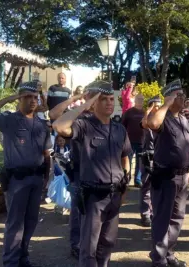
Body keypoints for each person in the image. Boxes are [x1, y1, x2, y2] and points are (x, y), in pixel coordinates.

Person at [53, 80, 132, 267]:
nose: (109, 103)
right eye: (103, 99)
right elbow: (59, 126)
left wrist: (124, 188)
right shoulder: (83, 126)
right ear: (94, 103)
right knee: (89, 248)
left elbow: (125, 158)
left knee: (107, 244)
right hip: (93, 198)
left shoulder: (119, 129)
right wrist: (85, 104)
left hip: (114, 195)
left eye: (111, 99)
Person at [0, 80, 52, 267]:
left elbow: (46, 154)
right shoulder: (10, 120)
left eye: (35, 97)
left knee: (30, 222)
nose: (33, 100)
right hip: (17, 181)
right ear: (20, 98)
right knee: (15, 224)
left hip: (36, 178)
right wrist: (9, 98)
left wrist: (46, 179)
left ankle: (23, 257)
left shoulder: (41, 124)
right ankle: (11, 262)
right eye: (28, 96)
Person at [147, 79, 189, 267]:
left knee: (177, 218)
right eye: (179, 95)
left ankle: (169, 253)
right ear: (171, 97)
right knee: (162, 219)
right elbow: (151, 123)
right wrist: (165, 103)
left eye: (183, 95)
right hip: (166, 176)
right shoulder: (163, 117)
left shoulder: (183, 119)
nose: (183, 98)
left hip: (182, 176)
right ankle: (158, 258)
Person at [49, 91, 93, 259]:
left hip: (97, 171)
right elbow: (53, 115)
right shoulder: (76, 113)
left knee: (93, 213)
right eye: (93, 95)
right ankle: (76, 245)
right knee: (77, 211)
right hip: (78, 171)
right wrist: (76, 99)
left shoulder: (102, 115)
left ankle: (90, 244)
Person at [139, 95, 162, 227]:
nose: (157, 107)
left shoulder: (162, 119)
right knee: (146, 186)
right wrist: (148, 110)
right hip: (148, 156)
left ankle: (154, 212)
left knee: (157, 187)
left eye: (159, 105)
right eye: (155, 105)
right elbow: (144, 123)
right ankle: (145, 213)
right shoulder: (147, 119)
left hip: (160, 157)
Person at [122, 93, 145, 187]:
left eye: (142, 99)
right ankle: (127, 179)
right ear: (135, 100)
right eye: (138, 99)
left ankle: (138, 179)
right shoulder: (129, 112)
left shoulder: (145, 112)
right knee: (128, 161)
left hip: (142, 141)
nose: (140, 101)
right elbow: (122, 126)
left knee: (140, 162)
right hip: (129, 141)